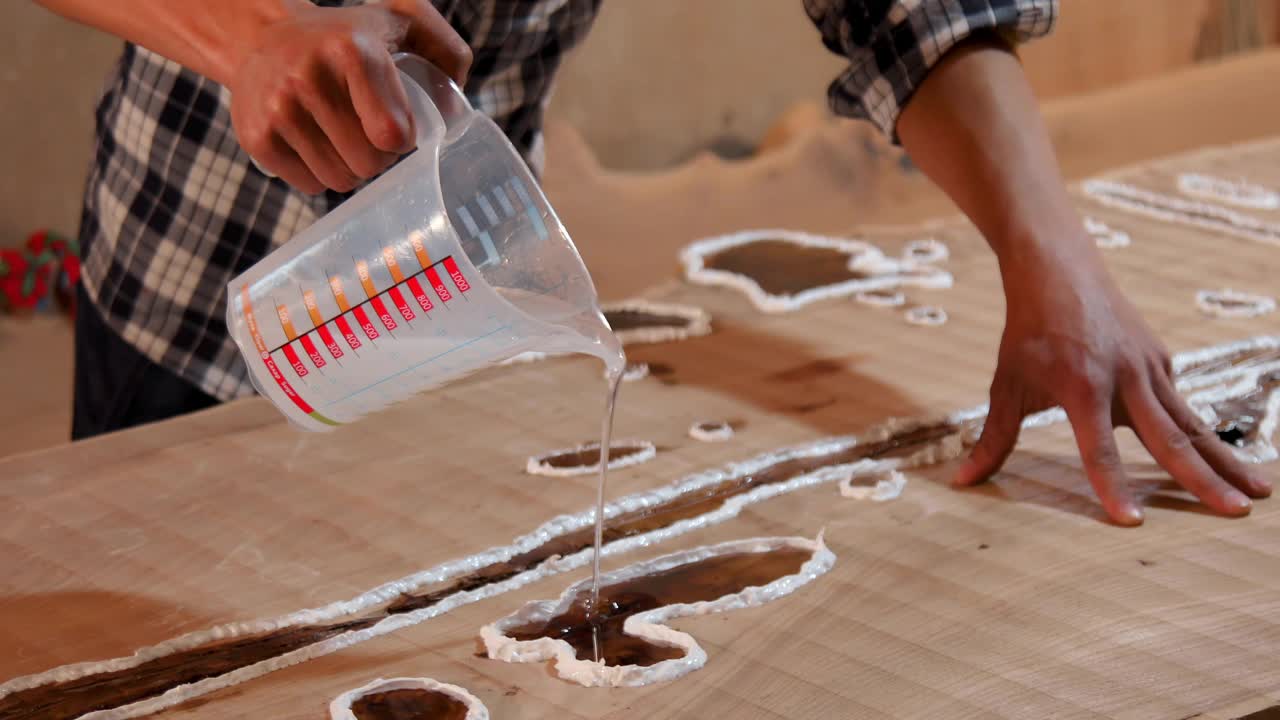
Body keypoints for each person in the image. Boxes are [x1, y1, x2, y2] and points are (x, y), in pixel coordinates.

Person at [39, 0, 1271, 525]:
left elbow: (911, 11)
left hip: (467, 301)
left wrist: (1053, 259)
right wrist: (256, 31)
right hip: (194, 295)